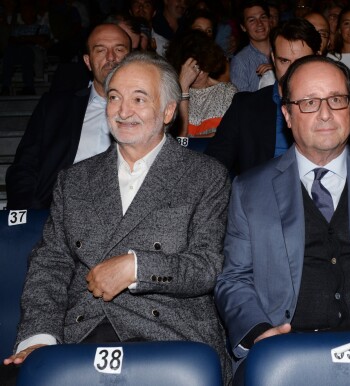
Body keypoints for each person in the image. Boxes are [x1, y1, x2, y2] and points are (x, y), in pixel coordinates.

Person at [3, 51, 232, 384]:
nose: (124, 111)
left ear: (168, 111)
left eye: (139, 99)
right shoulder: (74, 179)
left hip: (170, 332)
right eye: (114, 98)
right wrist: (39, 338)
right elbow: (50, 266)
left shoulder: (205, 176)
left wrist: (136, 268)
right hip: (83, 329)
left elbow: (207, 266)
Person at [214, 55, 350, 385]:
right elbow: (234, 279)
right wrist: (261, 333)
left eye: (336, 100)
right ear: (287, 115)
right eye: (308, 102)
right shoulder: (249, 189)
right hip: (287, 351)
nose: (325, 113)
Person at [205, 18, 350, 176]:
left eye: (301, 62)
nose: (292, 71)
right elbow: (211, 168)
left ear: (318, 57)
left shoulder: (339, 101)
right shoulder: (246, 106)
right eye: (284, 61)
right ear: (273, 59)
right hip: (264, 209)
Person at [5, 23, 131, 210]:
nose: (111, 58)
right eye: (101, 50)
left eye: (119, 49)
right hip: (59, 217)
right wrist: (33, 215)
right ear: (88, 61)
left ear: (132, 59)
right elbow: (24, 167)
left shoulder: (150, 110)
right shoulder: (55, 107)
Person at [165, 29, 237, 137]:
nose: (197, 72)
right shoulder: (171, 95)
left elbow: (230, 138)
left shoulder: (227, 93)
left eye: (201, 64)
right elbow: (179, 140)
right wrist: (183, 87)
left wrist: (193, 138)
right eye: (190, 67)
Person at [230, 0, 271, 92]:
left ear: (269, 21)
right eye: (252, 20)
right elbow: (242, 101)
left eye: (263, 17)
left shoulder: (284, 49)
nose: (259, 23)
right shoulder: (240, 61)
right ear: (243, 27)